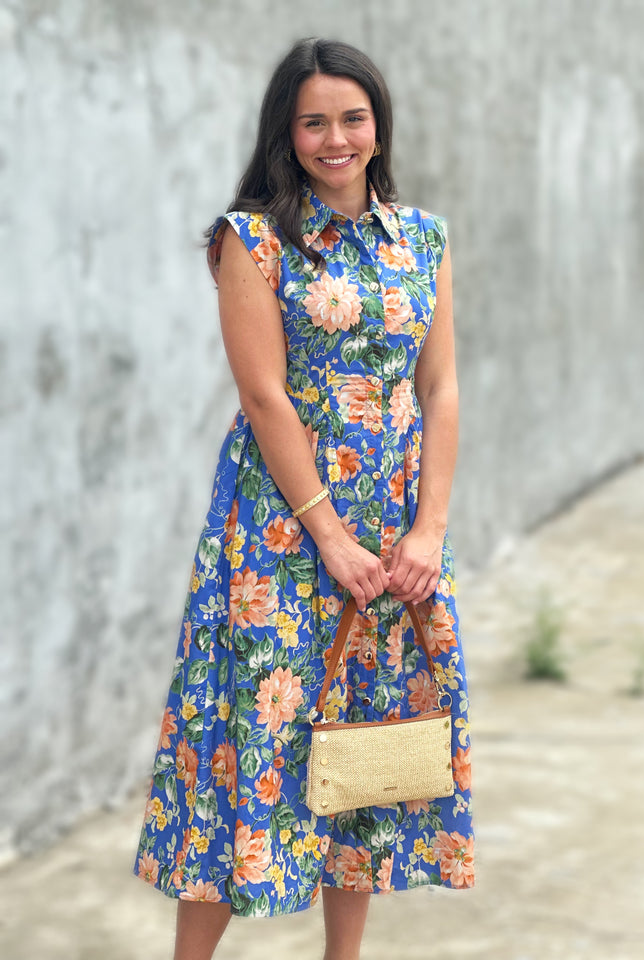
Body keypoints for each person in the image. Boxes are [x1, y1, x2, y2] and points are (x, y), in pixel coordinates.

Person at [134, 37, 474, 960]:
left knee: (362, 746)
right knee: (245, 743)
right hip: (279, 535)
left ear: (378, 125)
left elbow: (438, 387)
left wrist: (428, 531)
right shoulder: (250, 240)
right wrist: (327, 535)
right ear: (287, 132)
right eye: (314, 121)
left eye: (352, 118)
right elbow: (263, 397)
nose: (336, 139)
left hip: (397, 531)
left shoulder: (425, 239)